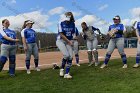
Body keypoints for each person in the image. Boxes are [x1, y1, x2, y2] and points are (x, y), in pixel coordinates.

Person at [56, 12, 76, 79]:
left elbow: (73, 34)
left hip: (69, 41)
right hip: (60, 41)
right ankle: (62, 69)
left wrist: (72, 40)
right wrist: (69, 41)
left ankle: (66, 74)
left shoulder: (72, 24)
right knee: (66, 55)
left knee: (70, 57)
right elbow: (61, 34)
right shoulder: (60, 23)